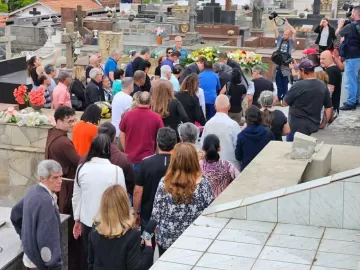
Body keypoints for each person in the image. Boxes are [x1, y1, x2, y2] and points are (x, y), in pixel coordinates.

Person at [72, 134, 126, 269]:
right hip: (110, 222)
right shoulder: (116, 171)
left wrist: (76, 220)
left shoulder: (82, 168)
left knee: (89, 258)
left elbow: (76, 197)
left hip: (87, 221)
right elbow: (122, 198)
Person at [151, 143, 214, 256]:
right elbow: (211, 214)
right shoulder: (204, 185)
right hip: (194, 241)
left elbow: (156, 214)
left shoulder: (164, 183)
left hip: (167, 241)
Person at [45, 106, 80, 269]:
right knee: (70, 225)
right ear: (59, 121)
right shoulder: (63, 142)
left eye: (74, 120)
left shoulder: (53, 134)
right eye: (69, 121)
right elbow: (78, 163)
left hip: (61, 184)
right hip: (66, 185)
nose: (72, 124)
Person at [11, 160, 63, 270]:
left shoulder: (33, 190)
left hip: (30, 260)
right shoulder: (46, 202)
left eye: (60, 177)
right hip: (40, 265)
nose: (60, 181)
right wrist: (55, 266)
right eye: (54, 178)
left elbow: (15, 214)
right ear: (42, 179)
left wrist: (26, 238)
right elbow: (47, 239)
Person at [88, 185, 154, 270]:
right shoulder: (132, 235)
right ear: (124, 205)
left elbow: (91, 263)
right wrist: (148, 248)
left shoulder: (96, 229)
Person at [133, 127, 177, 238]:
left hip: (149, 212)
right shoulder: (179, 163)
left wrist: (135, 212)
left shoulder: (146, 162)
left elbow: (138, 190)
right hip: (173, 212)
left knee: (147, 245)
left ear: (157, 142)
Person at [283, 59, 333, 141]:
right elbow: (328, 107)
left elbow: (285, 103)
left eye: (299, 70)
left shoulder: (298, 85)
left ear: (303, 70)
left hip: (296, 128)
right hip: (313, 127)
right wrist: (324, 123)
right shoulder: (322, 85)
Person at [120, 91, 164, 172]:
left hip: (130, 158)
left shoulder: (128, 115)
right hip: (149, 159)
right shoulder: (157, 117)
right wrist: (157, 155)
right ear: (151, 102)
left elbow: (122, 133)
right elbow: (160, 138)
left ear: (137, 101)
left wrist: (126, 150)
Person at [201, 95, 241, 168]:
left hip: (211, 167)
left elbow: (202, 146)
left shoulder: (208, 124)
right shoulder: (233, 125)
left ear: (215, 106)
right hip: (231, 167)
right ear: (229, 106)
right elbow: (239, 147)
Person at [97, 122, 135, 197]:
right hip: (118, 199)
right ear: (114, 137)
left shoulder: (87, 158)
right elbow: (131, 182)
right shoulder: (123, 158)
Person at [235, 106, 274, 170]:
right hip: (264, 167)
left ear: (246, 118)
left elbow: (238, 156)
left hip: (247, 169)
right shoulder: (268, 132)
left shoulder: (241, 135)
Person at [336, 6, 360, 110]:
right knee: (358, 79)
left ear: (354, 14)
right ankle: (357, 99)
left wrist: (340, 25)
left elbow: (337, 34)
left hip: (352, 56)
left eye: (352, 13)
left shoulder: (350, 26)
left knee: (351, 80)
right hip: (358, 56)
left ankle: (351, 102)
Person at [272, 18, 297, 103]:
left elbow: (294, 32)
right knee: (278, 84)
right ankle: (279, 99)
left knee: (285, 84)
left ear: (289, 36)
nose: (284, 36)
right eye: (284, 34)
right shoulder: (280, 39)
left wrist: (287, 24)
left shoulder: (290, 41)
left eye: (286, 35)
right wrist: (273, 20)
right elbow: (275, 29)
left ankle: (285, 100)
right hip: (278, 65)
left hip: (286, 66)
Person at [320, 50, 342, 116]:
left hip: (331, 107)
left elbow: (330, 90)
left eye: (323, 59)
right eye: (320, 59)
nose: (321, 61)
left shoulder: (331, 71)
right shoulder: (333, 69)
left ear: (330, 59)